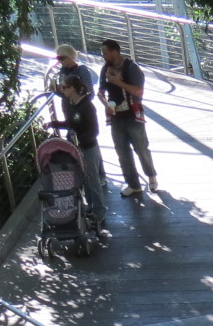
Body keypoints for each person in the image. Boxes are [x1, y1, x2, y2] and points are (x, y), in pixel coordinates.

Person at [98, 38, 160, 197]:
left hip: (133, 116)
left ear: (114, 52)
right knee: (122, 152)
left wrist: (118, 82)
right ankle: (133, 184)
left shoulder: (132, 68)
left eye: (105, 53)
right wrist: (106, 104)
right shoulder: (105, 69)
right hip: (116, 117)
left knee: (141, 148)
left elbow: (138, 91)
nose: (103, 56)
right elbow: (100, 92)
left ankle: (151, 175)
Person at [46, 75, 106, 228]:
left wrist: (80, 140)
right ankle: (91, 207)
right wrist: (53, 124)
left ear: (73, 89)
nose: (62, 90)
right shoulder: (70, 103)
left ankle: (99, 211)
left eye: (65, 87)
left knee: (93, 180)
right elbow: (71, 123)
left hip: (89, 148)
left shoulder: (87, 106)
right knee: (85, 180)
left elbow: (94, 131)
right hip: (77, 148)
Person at [46, 44, 96, 121]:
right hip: (68, 109)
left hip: (82, 110)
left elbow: (90, 94)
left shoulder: (82, 70)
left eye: (61, 58)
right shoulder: (62, 72)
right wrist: (56, 90)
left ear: (70, 57)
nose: (59, 61)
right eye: (58, 58)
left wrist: (73, 94)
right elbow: (65, 95)